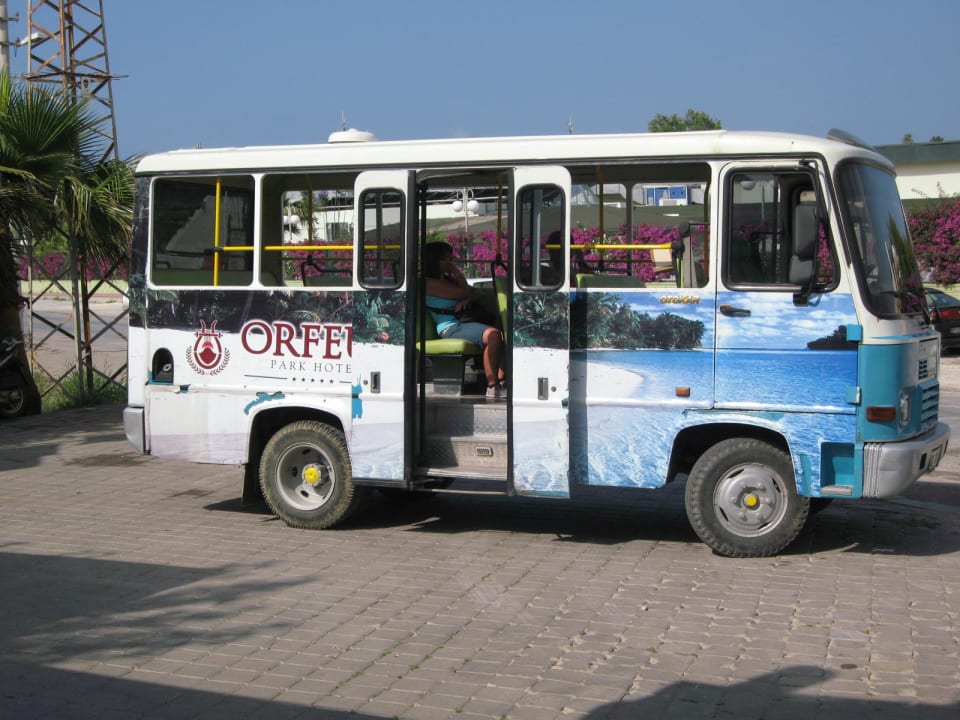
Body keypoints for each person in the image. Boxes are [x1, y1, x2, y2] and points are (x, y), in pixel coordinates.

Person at [424, 242, 506, 398]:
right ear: (433, 261)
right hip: (450, 328)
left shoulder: (447, 280)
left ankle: (502, 380)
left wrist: (467, 300)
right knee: (494, 336)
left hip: (463, 323)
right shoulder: (429, 283)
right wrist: (457, 273)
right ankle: (493, 385)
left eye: (450, 259)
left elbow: (476, 293)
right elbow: (463, 291)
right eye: (445, 259)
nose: (449, 263)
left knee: (507, 334)